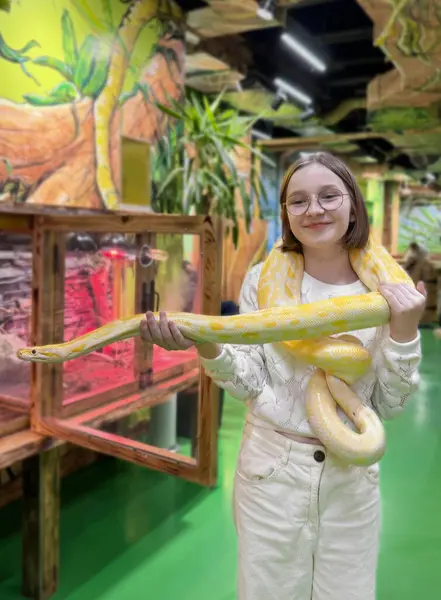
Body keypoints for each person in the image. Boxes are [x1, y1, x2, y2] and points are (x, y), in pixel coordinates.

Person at [140, 152, 426, 600]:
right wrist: (206, 341)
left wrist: (404, 331)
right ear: (286, 213)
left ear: (353, 202)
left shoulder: (389, 292)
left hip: (351, 480)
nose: (314, 209)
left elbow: (389, 405)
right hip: (273, 472)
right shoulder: (261, 281)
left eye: (329, 195)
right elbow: (250, 381)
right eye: (298, 201)